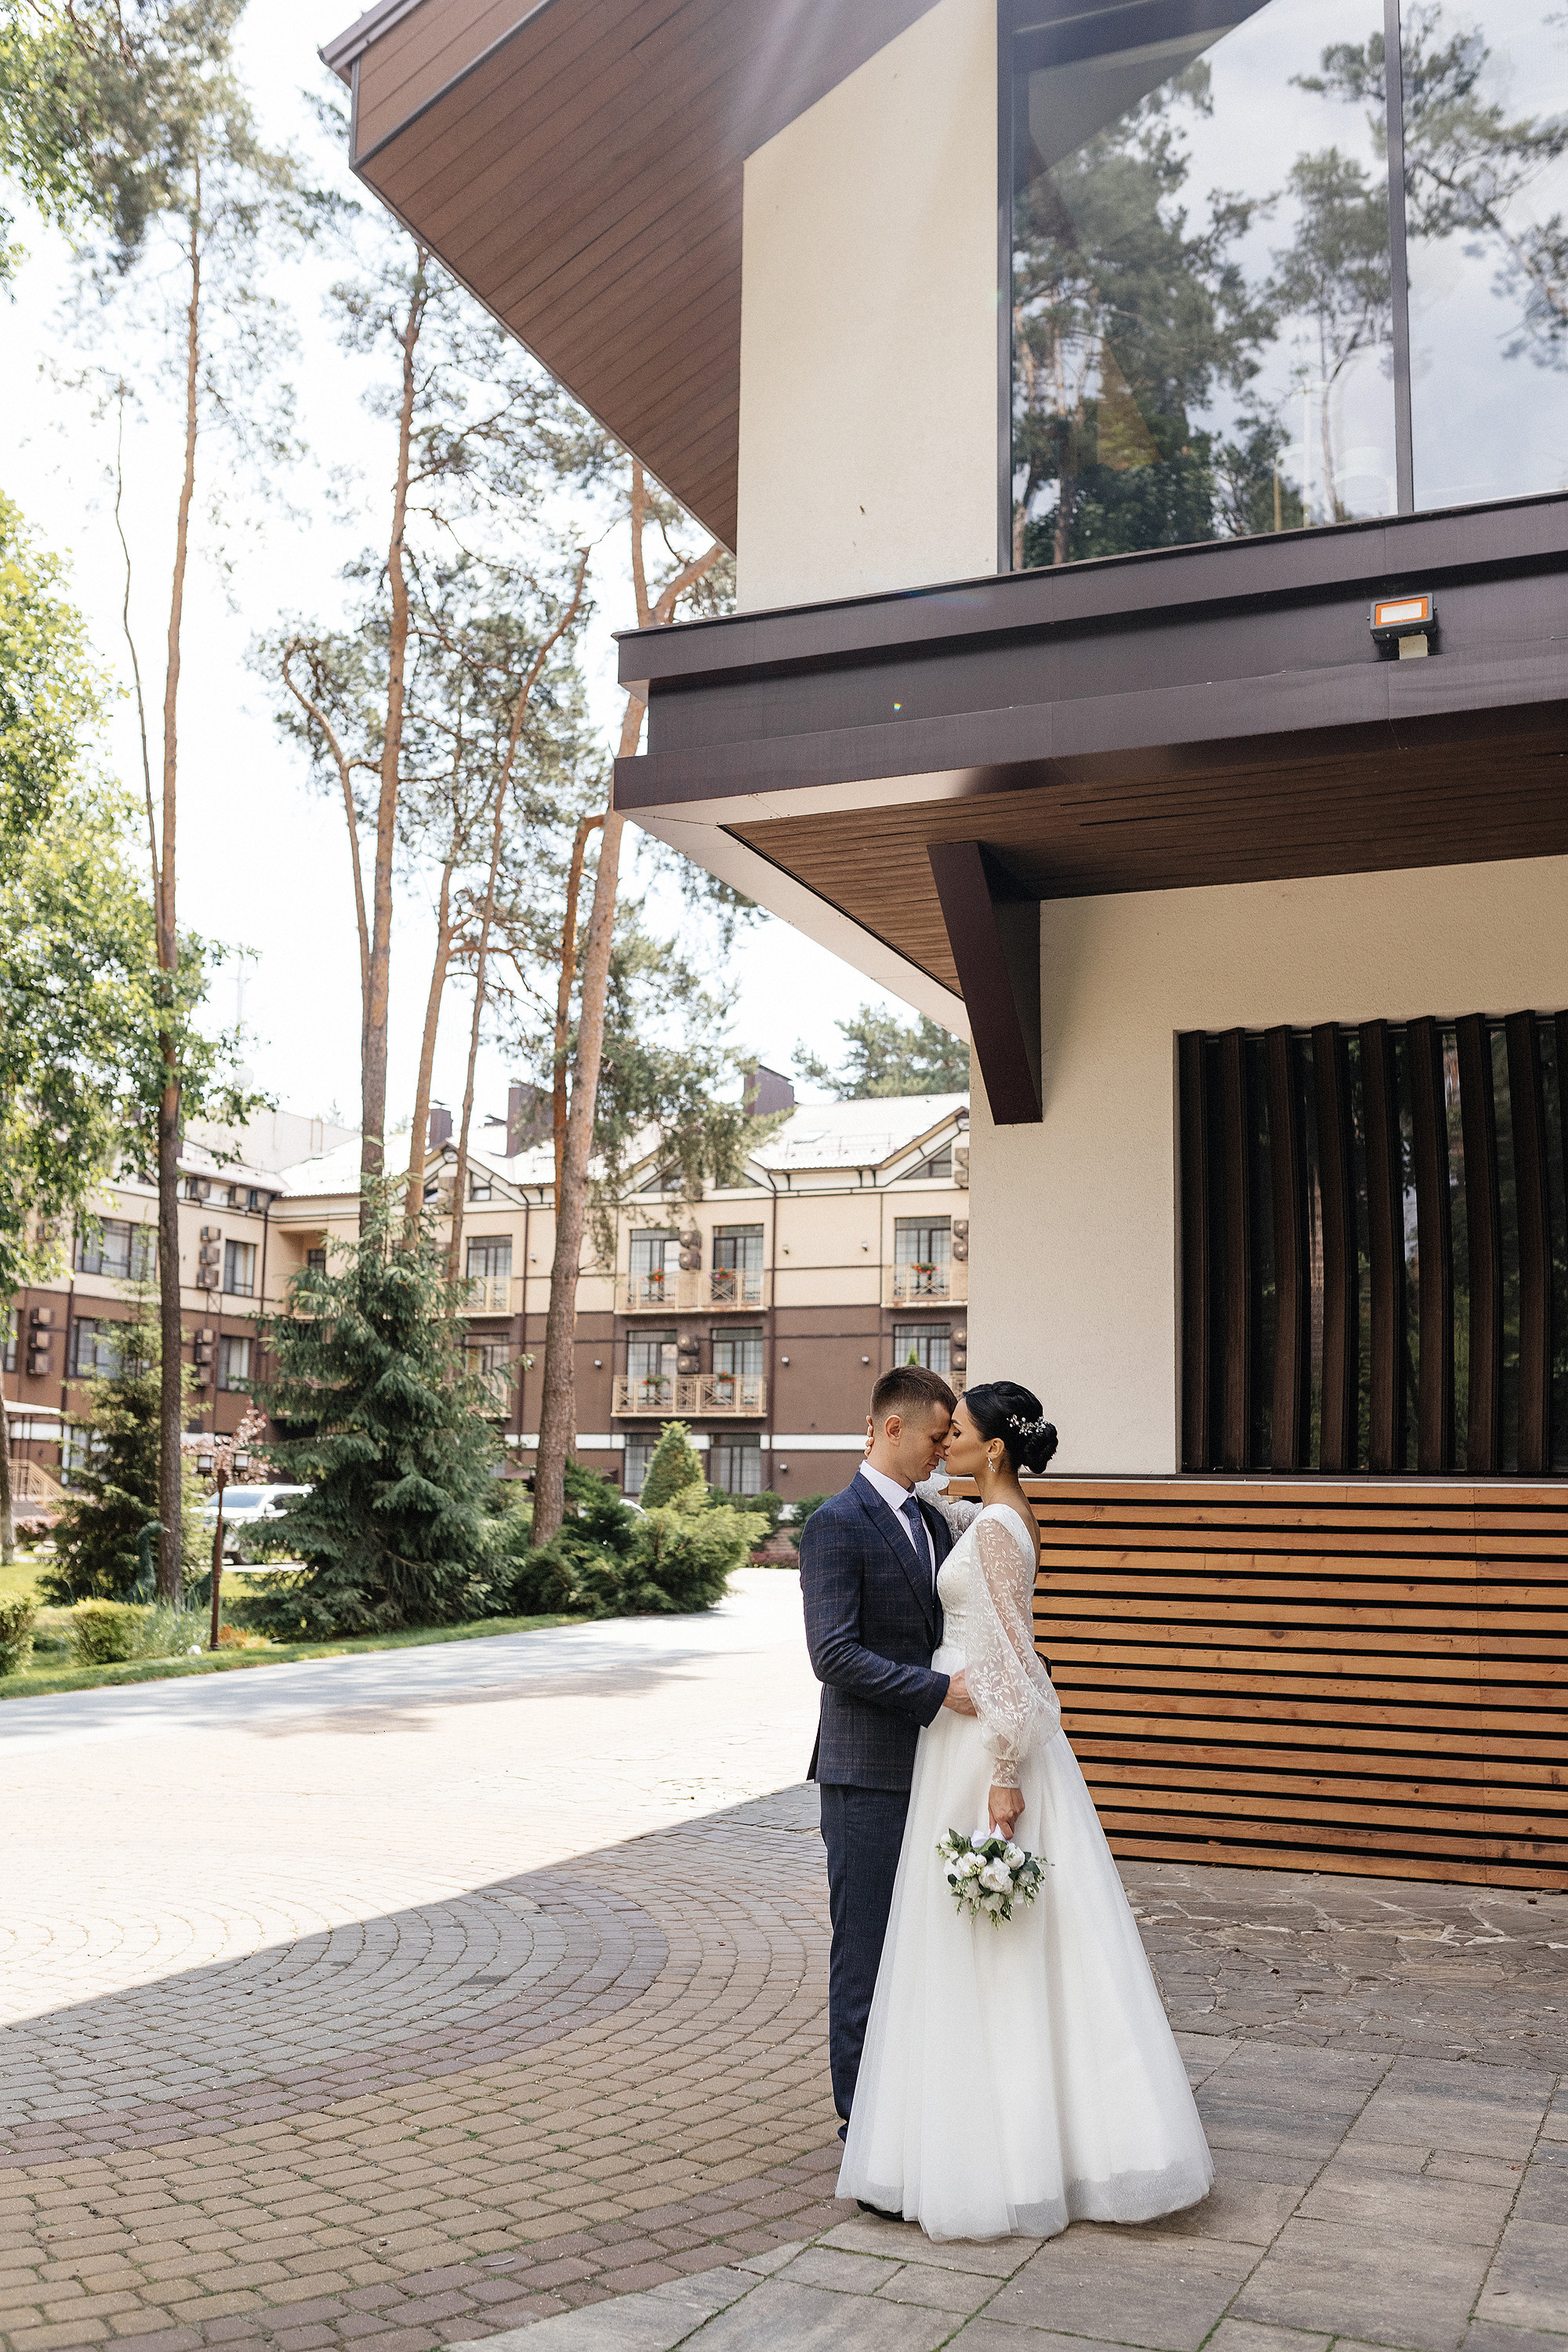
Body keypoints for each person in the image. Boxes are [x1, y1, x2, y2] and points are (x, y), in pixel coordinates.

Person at [837, 1379, 1214, 2243]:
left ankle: (1001, 2152)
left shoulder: (1000, 1530)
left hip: (981, 1750)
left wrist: (1004, 1770)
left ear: (994, 1448)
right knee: (971, 1942)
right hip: (957, 1738)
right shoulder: (992, 1517)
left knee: (992, 1944)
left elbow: (1011, 1653)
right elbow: (936, 1506)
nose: (944, 1445)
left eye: (957, 1433)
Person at [798, 1364, 978, 2153]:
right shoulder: (835, 1524)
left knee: (925, 1947)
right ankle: (857, 2124)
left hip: (936, 1771)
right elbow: (831, 1654)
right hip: (864, 1772)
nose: (945, 1451)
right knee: (864, 1952)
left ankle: (908, 2102)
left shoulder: (935, 1521)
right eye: (938, 1436)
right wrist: (937, 1691)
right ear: (893, 1428)